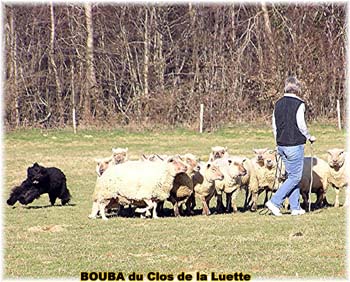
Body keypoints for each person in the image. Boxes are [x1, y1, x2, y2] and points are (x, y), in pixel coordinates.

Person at [266, 76, 316, 216]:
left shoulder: (278, 103)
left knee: (291, 176)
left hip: (281, 145)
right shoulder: (300, 104)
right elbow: (301, 124)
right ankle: (275, 201)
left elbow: (274, 126)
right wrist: (309, 137)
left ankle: (295, 207)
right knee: (295, 177)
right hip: (294, 144)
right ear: (297, 89)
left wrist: (278, 142)